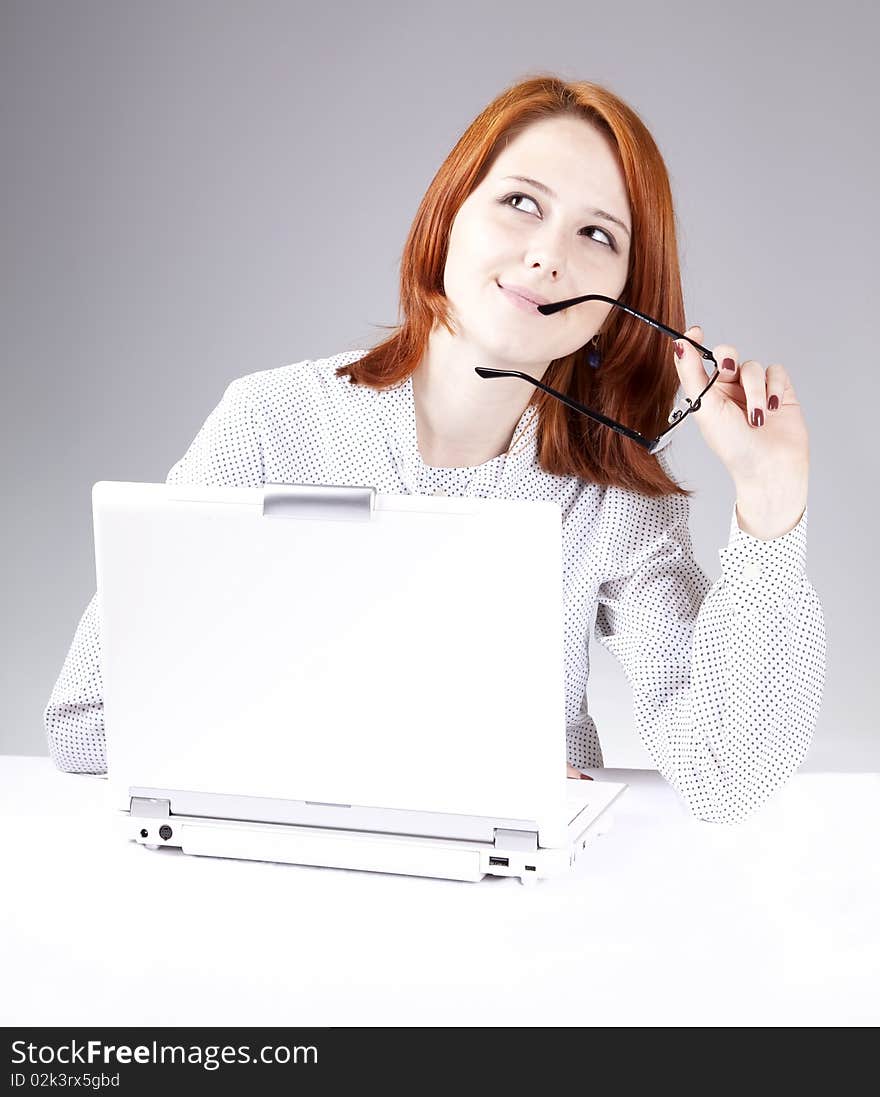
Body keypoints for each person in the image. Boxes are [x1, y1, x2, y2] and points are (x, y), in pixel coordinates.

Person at [43, 74, 826, 824]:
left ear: (623, 299)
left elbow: (727, 776)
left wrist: (770, 505)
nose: (549, 257)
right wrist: (441, 768)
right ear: (450, 212)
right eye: (522, 203)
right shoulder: (268, 423)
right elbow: (88, 723)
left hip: (521, 907)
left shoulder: (612, 500)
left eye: (596, 234)